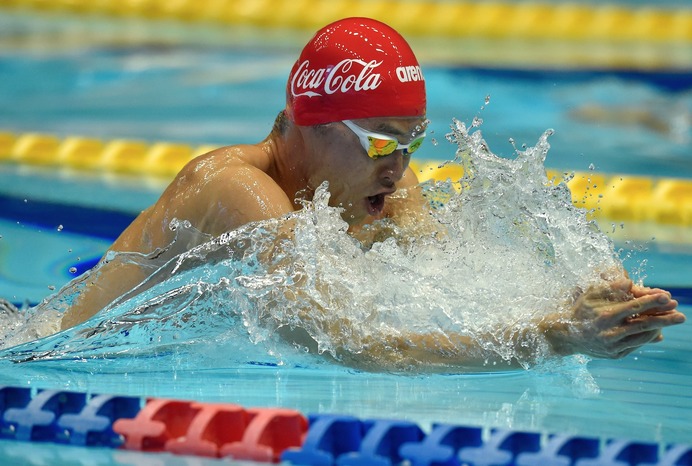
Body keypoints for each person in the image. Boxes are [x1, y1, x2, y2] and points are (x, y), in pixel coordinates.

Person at [57, 17, 685, 368]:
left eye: (413, 139)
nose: (401, 164)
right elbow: (355, 343)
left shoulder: (381, 188)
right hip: (48, 359)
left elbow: (451, 285)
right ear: (312, 123)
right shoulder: (237, 191)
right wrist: (550, 336)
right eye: (383, 142)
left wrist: (575, 302)